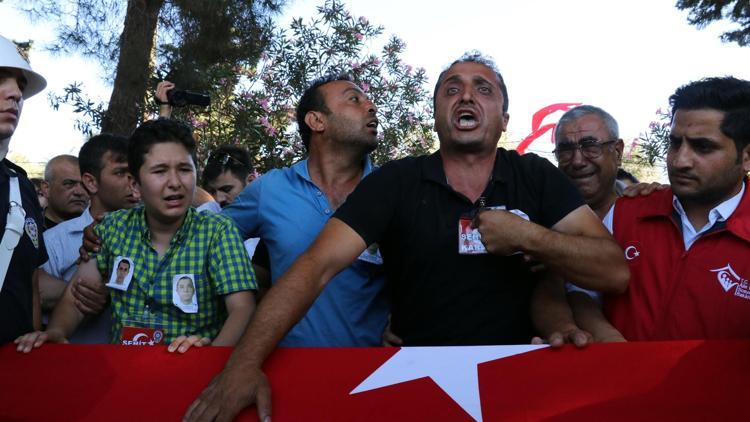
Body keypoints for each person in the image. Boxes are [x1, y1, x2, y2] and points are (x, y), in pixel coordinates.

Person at [183, 52, 628, 422]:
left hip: (516, 391)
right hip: (410, 392)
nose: (466, 95)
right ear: (436, 114)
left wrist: (530, 236)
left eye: (483, 88)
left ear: (504, 117)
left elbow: (614, 272)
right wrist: (242, 364)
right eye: (451, 89)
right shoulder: (395, 183)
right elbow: (315, 268)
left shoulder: (536, 176)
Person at [15, 118, 257, 353]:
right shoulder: (111, 228)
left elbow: (242, 308)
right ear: (135, 183)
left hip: (192, 372)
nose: (174, 182)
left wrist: (212, 360)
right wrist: (58, 331)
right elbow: (78, 295)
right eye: (160, 171)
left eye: (184, 169)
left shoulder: (218, 231)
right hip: (122, 373)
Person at [573, 76, 750, 341]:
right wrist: (605, 335)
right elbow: (579, 291)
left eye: (703, 147)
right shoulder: (626, 213)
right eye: (675, 143)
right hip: (620, 380)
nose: (680, 161)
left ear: (746, 156)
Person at [40, 133, 140, 343]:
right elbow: (37, 294)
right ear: (91, 182)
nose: (133, 182)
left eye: (135, 173)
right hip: (75, 363)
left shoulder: (155, 235)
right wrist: (86, 294)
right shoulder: (54, 241)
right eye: (121, 173)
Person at [0, 34, 48, 344]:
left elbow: (30, 283)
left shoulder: (20, 186)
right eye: (0, 79)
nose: (16, 93)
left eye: (20, 84)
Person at [41, 155, 89, 229]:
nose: (79, 192)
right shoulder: (27, 230)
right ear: (46, 188)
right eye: (69, 184)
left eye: (84, 185)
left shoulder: (102, 230)